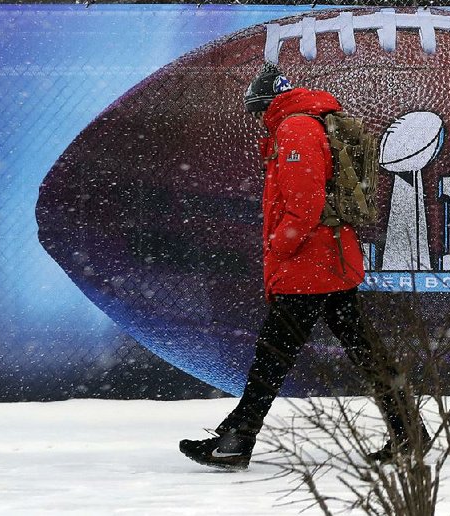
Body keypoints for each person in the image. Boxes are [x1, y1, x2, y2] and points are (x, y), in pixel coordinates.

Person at [179, 63, 429, 471]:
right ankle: (409, 433)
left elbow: (304, 205)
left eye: (257, 111)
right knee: (361, 350)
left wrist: (279, 245)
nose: (257, 120)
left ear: (268, 104)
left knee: (273, 355)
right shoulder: (310, 120)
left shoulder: (295, 128)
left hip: (309, 265)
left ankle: (236, 440)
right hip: (328, 260)